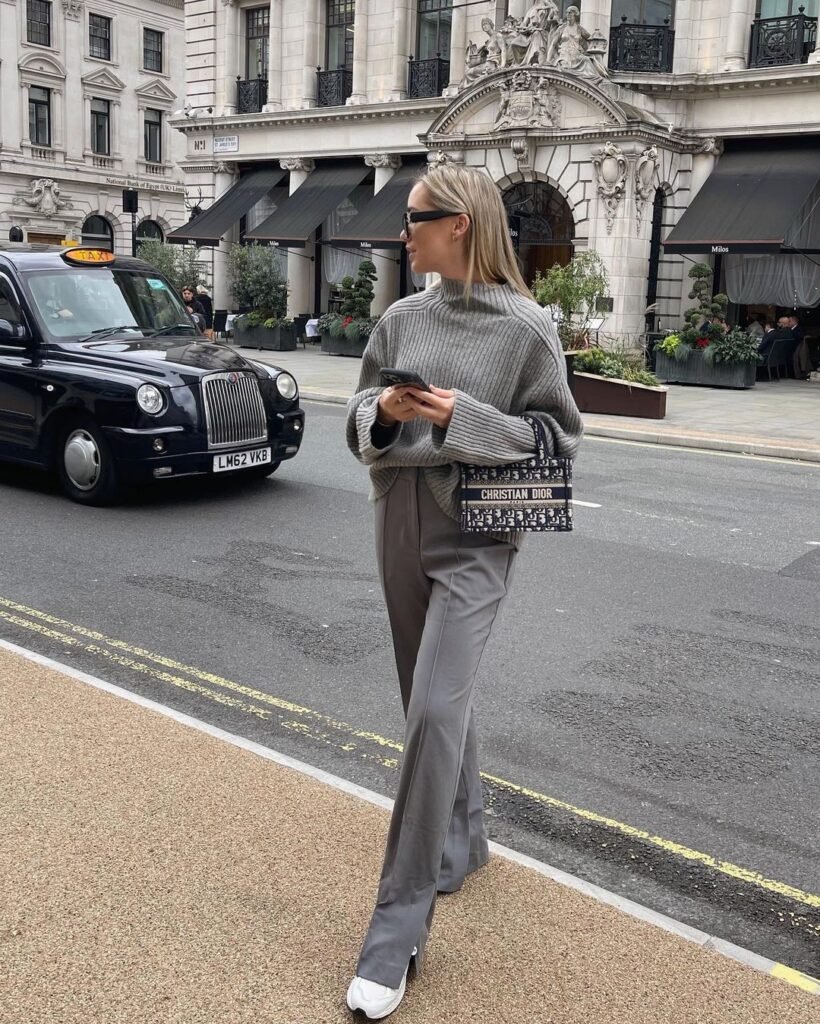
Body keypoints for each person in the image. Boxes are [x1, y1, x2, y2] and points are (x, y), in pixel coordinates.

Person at [344, 163, 583, 1020]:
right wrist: (387, 413)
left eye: (416, 218)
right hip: (400, 514)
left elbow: (558, 443)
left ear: (461, 224)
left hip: (481, 532)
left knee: (435, 713)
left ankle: (393, 934)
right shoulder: (404, 316)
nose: (402, 233)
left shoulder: (527, 329)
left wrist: (458, 418)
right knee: (429, 696)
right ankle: (462, 841)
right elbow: (359, 414)